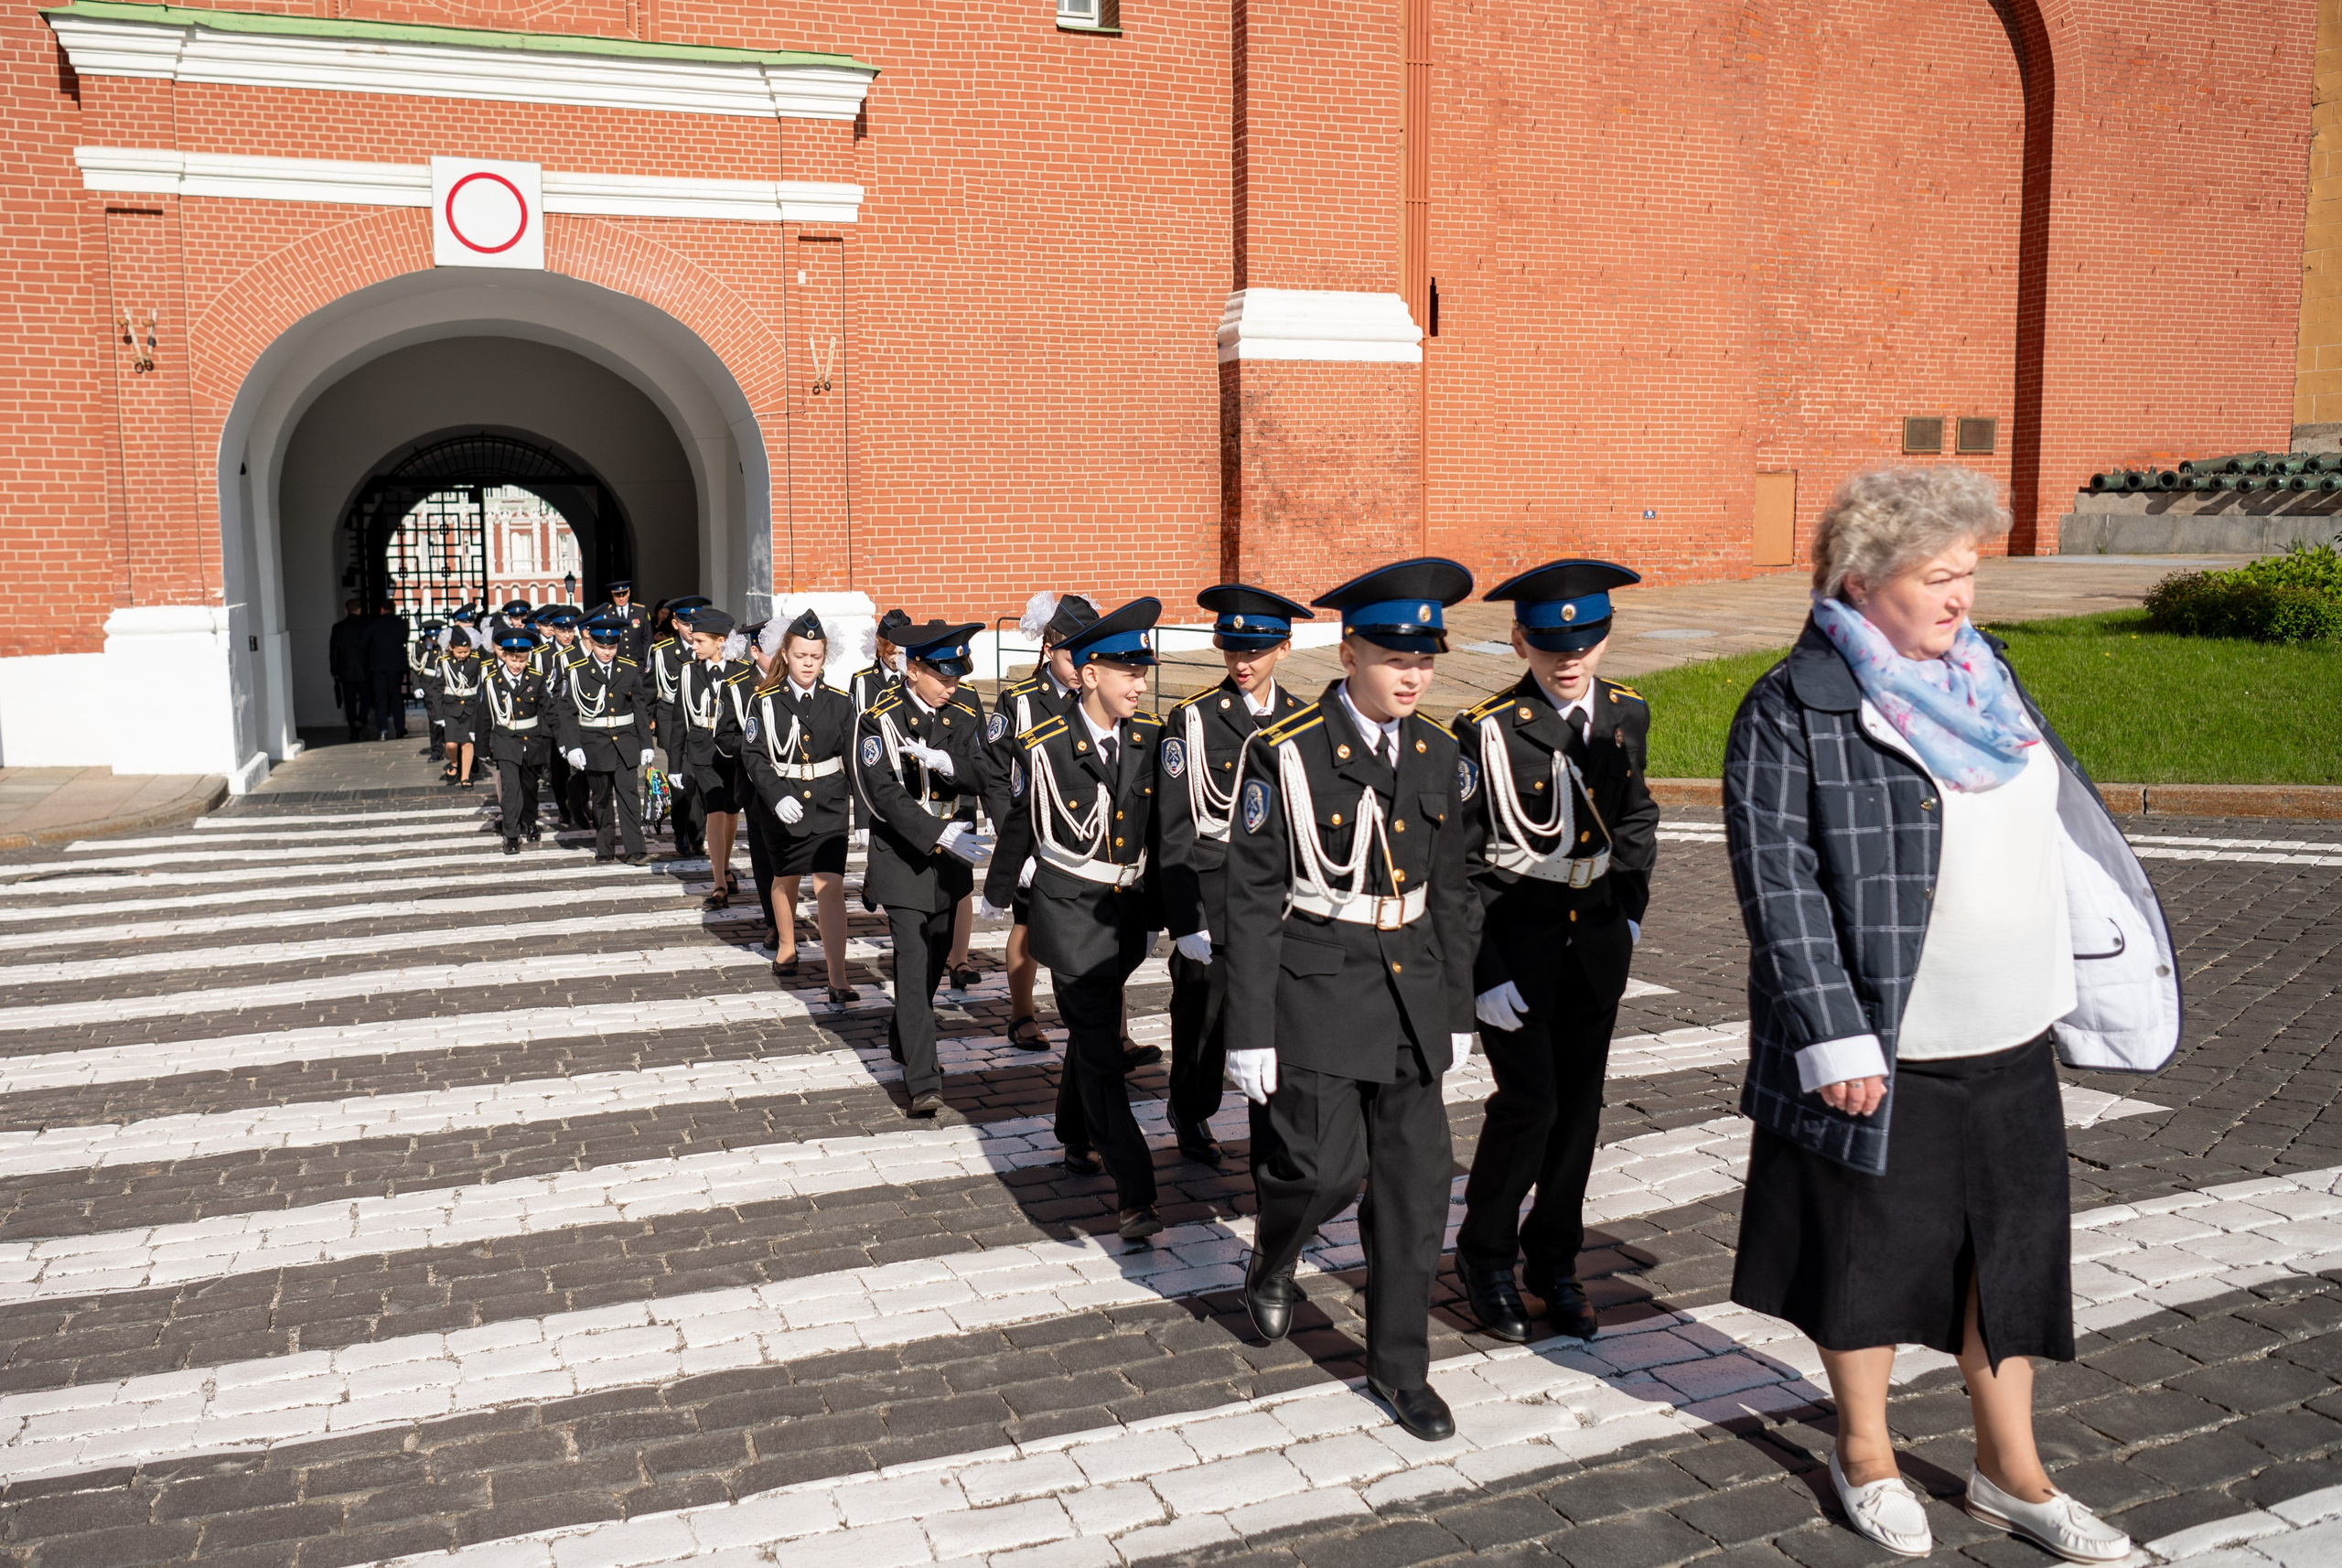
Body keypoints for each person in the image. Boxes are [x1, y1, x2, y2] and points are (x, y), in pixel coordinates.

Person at [1723, 467, 2179, 1563]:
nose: (1961, 598)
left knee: (2010, 1261)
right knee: (1864, 1260)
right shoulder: (1795, 706)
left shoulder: (1988, 676)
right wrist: (1833, 1035)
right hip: (1888, 1044)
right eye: (1939, 577)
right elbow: (1778, 884)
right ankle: (1866, 1450)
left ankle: (2009, 1471)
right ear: (1860, 579)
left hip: (2013, 1029)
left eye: (1969, 574)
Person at [1222, 557, 1480, 1443]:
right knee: (1320, 1172)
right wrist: (1248, 1027)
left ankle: (1400, 1371)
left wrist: (1459, 1007)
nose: (1412, 676)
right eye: (1394, 657)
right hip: (1318, 988)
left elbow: (1451, 892)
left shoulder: (1441, 753)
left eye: (1425, 659)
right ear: (1349, 652)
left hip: (1410, 995)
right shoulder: (1285, 752)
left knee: (1413, 1196)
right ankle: (1276, 1252)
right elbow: (1252, 899)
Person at [1450, 559, 1660, 1345]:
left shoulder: (1626, 713)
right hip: (1517, 940)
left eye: (1585, 640)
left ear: (1604, 638)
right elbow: (1461, 864)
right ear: (1518, 643)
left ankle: (1554, 1262)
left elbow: (1637, 817)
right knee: (1528, 1102)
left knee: (1578, 1115)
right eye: (1548, 644)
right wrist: (1484, 969)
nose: (1568, 658)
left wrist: (1630, 910)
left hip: (1596, 940)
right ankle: (1486, 1255)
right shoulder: (1486, 729)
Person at [983, 599, 1167, 1237]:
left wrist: (1173, 913)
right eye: (1126, 673)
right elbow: (1018, 822)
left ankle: (1070, 1131)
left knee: (1089, 1041)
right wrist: (1001, 887)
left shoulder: (1150, 740)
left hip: (1127, 912)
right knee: (1099, 1046)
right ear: (1089, 675)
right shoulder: (1045, 745)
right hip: (1067, 912)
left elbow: (1164, 834)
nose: (1139, 684)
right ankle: (1137, 1194)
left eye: (1142, 672)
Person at [1155, 583, 1314, 1167]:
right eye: (1232, 649)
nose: (1242, 662)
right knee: (1202, 1020)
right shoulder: (1193, 719)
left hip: (1278, 900)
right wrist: (1184, 917)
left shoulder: (1304, 720)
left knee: (1270, 1017)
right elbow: (1173, 830)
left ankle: (1267, 1130)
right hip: (1213, 894)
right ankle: (1191, 1108)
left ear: (1284, 649)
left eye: (1257, 650)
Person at [849, 619, 994, 1119]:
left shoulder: (965, 713)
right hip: (902, 859)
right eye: (942, 677)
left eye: (956, 678)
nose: (951, 687)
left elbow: (988, 772)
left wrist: (948, 764)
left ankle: (902, 1034)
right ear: (914, 670)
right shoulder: (878, 718)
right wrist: (935, 833)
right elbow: (881, 791)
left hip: (951, 860)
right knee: (912, 964)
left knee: (934, 958)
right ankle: (924, 1081)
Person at [983, 592, 1098, 1054]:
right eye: (1073, 654)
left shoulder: (1097, 697)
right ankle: (1022, 1014)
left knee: (1100, 932)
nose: (1081, 666)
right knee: (1030, 926)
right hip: (1034, 838)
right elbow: (994, 777)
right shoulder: (1019, 701)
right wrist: (1016, 852)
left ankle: (1117, 1029)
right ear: (1050, 650)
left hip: (1086, 836)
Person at [739, 609, 860, 1005]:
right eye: (801, 655)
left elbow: (855, 759)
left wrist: (866, 813)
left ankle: (837, 975)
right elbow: (755, 756)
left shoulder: (841, 702)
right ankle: (788, 944)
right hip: (782, 804)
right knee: (785, 878)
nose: (808, 663)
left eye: (816, 656)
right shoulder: (765, 701)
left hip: (828, 803)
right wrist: (777, 796)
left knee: (831, 887)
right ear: (785, 655)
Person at [553, 612, 655, 865]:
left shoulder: (629, 669)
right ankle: (605, 849)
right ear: (591, 642)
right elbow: (567, 711)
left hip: (626, 742)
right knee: (600, 799)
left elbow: (639, 708)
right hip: (594, 744)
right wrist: (572, 746)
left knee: (629, 796)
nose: (607, 652)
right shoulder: (577, 672)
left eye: (612, 646)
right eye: (602, 646)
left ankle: (635, 849)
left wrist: (646, 744)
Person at [675, 607, 756, 908]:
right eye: (692, 640)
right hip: (702, 751)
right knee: (715, 811)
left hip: (732, 752)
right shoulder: (689, 672)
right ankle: (719, 883)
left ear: (720, 641)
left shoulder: (743, 671)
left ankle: (723, 865)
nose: (692, 646)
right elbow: (678, 717)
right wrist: (674, 762)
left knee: (732, 811)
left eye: (699, 641)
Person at [649, 597, 712, 856]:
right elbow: (650, 689)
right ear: (675, 624)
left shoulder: (708, 650)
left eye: (696, 623)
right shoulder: (663, 652)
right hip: (672, 723)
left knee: (700, 779)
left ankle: (697, 833)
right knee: (682, 778)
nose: (692, 629)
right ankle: (681, 833)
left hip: (700, 723)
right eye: (687, 623)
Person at [481, 626, 553, 853]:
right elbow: (485, 713)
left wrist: (560, 741)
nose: (517, 664)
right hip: (505, 739)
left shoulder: (537, 678)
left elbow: (548, 711)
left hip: (531, 740)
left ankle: (529, 821)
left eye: (522, 660)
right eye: (513, 659)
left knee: (530, 785)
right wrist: (482, 746)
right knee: (511, 788)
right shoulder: (492, 681)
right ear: (504, 655)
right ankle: (511, 834)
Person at [532, 607, 587, 829]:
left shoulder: (579, 651)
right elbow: (539, 690)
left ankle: (580, 803)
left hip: (577, 718)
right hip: (551, 720)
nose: (567, 635)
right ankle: (564, 809)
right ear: (552, 629)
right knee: (558, 770)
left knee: (582, 767)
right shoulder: (541, 655)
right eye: (562, 630)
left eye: (571, 630)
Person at [431, 622, 485, 788]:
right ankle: (454, 762)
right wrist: (438, 715)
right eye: (459, 652)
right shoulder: (444, 662)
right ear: (451, 648)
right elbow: (437, 688)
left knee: (468, 743)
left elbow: (481, 684)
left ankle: (465, 777)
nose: (463, 655)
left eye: (466, 651)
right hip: (451, 707)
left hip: (470, 707)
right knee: (451, 743)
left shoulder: (476, 660)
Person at [363, 599, 413, 742]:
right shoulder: (403, 623)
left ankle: (383, 731)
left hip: (378, 665)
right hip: (396, 665)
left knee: (380, 698)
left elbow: (363, 642)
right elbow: (404, 639)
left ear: (382, 609)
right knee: (397, 696)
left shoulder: (374, 623)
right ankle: (399, 729)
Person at [329, 596, 371, 741]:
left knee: (349, 700)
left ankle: (353, 728)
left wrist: (334, 671)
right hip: (364, 669)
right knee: (367, 697)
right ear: (360, 609)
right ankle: (361, 718)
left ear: (346, 610)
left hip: (345, 670)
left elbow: (334, 650)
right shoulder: (367, 625)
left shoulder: (338, 627)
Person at [594, 579, 652, 666]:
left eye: (624, 594)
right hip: (617, 664)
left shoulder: (641, 611)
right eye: (617, 595)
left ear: (628, 593)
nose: (621, 598)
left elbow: (648, 638)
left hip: (638, 663)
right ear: (612, 594)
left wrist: (647, 661)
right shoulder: (607, 613)